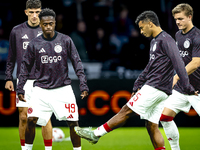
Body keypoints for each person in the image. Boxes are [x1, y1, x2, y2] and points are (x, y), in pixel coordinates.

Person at [74, 11, 196, 150]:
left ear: (150, 24)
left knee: (126, 110)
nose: (141, 31)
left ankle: (95, 134)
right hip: (160, 89)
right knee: (151, 125)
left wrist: (186, 86)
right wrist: (137, 83)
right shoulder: (155, 41)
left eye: (142, 27)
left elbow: (179, 64)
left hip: (156, 87)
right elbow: (150, 66)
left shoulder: (166, 40)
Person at [16, 8, 89, 150]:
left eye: (51, 23)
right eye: (45, 24)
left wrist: (83, 84)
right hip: (41, 90)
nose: (48, 26)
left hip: (63, 89)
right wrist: (20, 88)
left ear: (55, 23)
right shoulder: (34, 44)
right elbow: (25, 68)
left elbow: (77, 63)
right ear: (40, 25)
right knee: (31, 120)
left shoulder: (65, 40)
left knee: (73, 123)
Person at [4, 1, 53, 150]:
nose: (34, 15)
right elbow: (11, 56)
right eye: (31, 12)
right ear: (26, 12)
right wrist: (8, 78)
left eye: (37, 12)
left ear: (41, 12)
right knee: (23, 116)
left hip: (43, 80)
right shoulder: (16, 31)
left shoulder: (47, 29)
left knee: (45, 118)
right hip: (23, 80)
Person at [160, 3, 200, 150]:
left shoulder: (197, 36)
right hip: (182, 88)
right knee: (165, 117)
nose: (178, 22)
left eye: (181, 19)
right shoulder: (178, 34)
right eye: (176, 19)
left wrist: (176, 77)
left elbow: (195, 63)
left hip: (198, 89)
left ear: (190, 17)